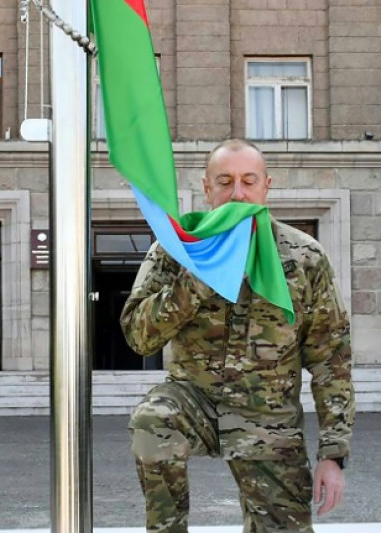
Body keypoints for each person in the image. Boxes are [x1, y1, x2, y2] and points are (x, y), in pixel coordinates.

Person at [120, 138, 355, 533]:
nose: (238, 193)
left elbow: (332, 359)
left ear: (266, 186)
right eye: (225, 182)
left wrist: (333, 453)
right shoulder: (177, 249)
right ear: (207, 188)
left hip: (269, 419)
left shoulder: (303, 257)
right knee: (152, 421)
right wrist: (197, 277)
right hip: (193, 401)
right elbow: (139, 337)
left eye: (249, 181)